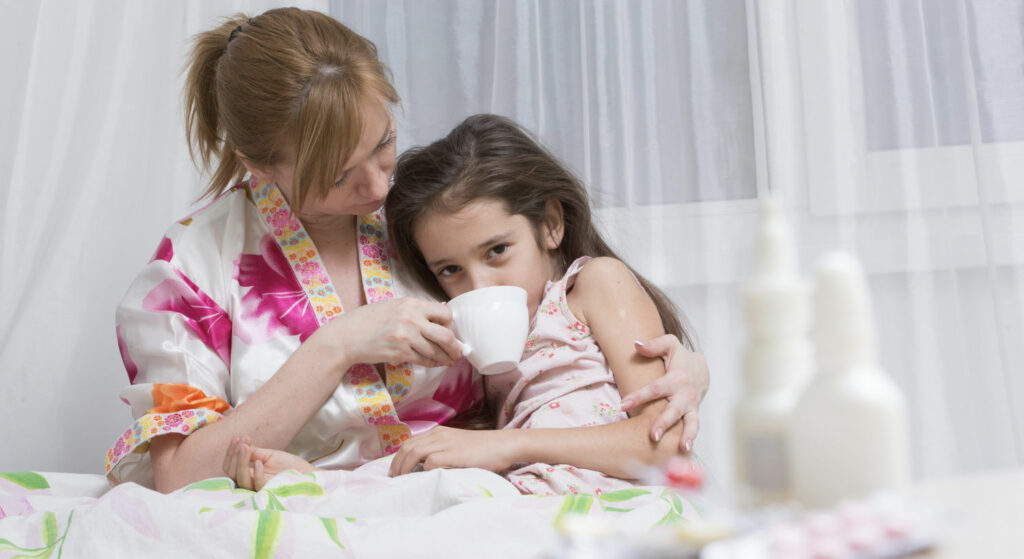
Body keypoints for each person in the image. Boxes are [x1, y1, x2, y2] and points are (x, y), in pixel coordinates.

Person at [107, 8, 708, 494]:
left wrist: (687, 368)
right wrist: (337, 346)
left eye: (384, 143)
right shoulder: (191, 270)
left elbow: (564, 332)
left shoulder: (427, 216)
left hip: (490, 495)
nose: (376, 188)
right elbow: (179, 478)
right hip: (337, 518)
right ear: (258, 164)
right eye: (339, 175)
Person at [382, 114, 701, 492]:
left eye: (497, 250)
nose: (478, 285)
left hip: (610, 503)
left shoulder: (594, 284)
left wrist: (506, 445)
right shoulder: (472, 342)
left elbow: (665, 444)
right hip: (529, 499)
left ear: (550, 223)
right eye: (451, 269)